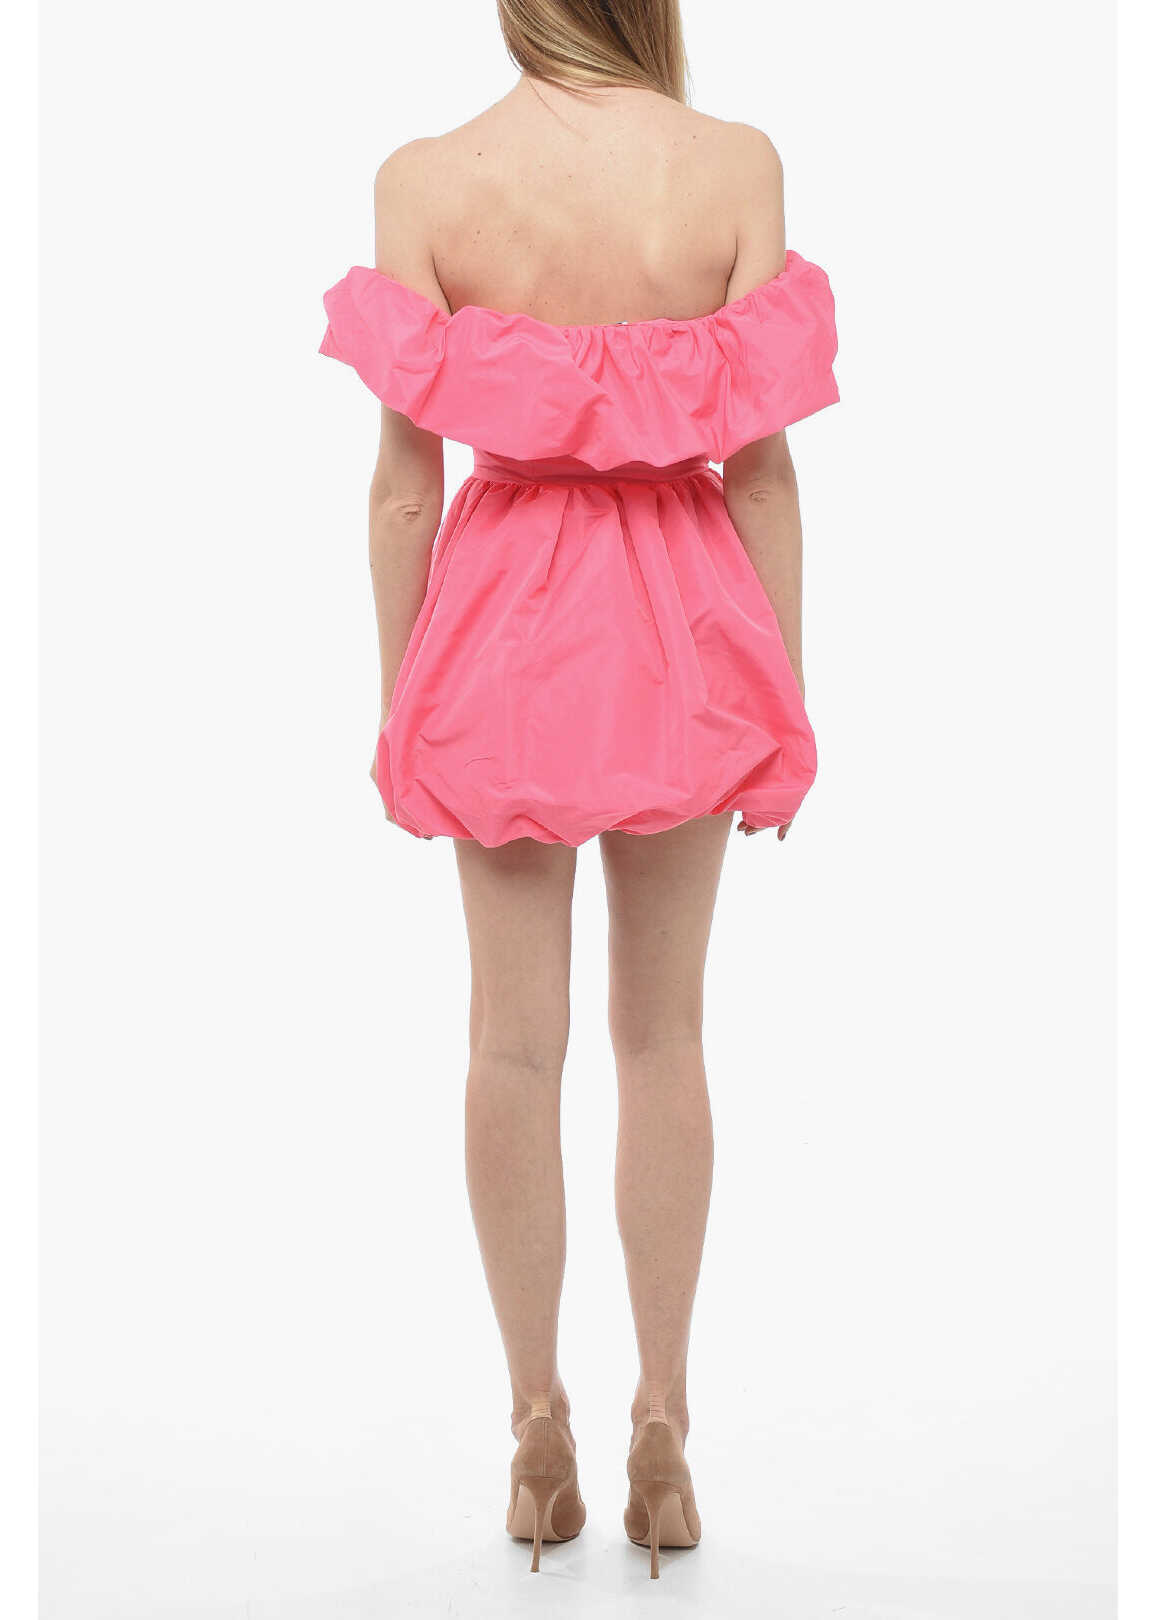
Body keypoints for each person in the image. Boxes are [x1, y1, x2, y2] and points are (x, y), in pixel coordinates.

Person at [318, 0, 839, 1581]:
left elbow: (404, 491)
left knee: (509, 1041)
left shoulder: (427, 181)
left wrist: (403, 702)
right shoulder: (731, 166)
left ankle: (535, 1422)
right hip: (684, 622)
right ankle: (661, 1424)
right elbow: (762, 475)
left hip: (500, 629)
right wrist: (779, 702)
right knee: (664, 1035)